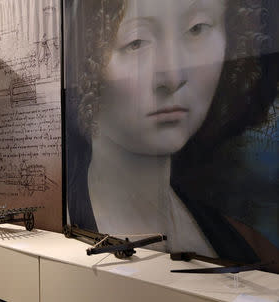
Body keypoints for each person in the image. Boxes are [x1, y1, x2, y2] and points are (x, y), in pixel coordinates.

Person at [65, 0, 277, 269]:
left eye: (196, 29)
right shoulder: (70, 221)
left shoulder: (245, 244)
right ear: (84, 63)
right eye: (137, 41)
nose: (174, 76)